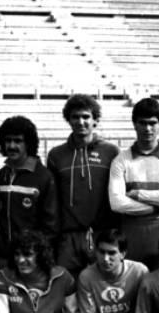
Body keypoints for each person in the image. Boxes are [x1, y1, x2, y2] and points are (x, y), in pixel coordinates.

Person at [47, 94, 120, 274]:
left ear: (95, 120)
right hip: (68, 237)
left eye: (86, 116)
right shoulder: (56, 155)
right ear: (68, 120)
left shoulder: (111, 152)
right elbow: (52, 200)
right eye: (75, 117)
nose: (81, 122)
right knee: (67, 289)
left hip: (102, 234)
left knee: (102, 288)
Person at [109, 98, 159, 270]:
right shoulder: (121, 160)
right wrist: (155, 207)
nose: (148, 129)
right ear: (134, 124)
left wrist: (138, 194)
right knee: (133, 289)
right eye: (142, 123)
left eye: (153, 123)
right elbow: (117, 203)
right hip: (131, 236)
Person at [0, 116, 59, 263]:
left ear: (29, 144)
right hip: (4, 256)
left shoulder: (43, 177)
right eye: (8, 140)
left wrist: (35, 252)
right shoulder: (3, 174)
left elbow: (51, 226)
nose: (12, 146)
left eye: (18, 141)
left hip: (30, 257)